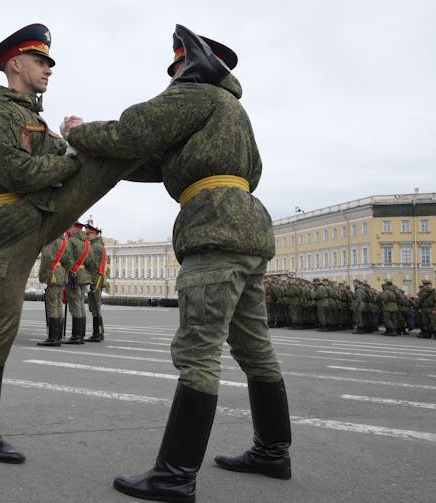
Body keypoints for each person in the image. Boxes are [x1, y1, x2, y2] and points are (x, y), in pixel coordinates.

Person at [64, 24, 291, 502]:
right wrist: (101, 152)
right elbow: (154, 160)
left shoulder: (197, 94)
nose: (173, 78)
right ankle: (273, 451)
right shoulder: (230, 109)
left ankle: (174, 475)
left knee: (198, 351)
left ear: (190, 67)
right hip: (247, 227)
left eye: (177, 68)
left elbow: (134, 131)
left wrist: (76, 131)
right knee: (254, 349)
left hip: (214, 227)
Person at [0, 22, 141, 465]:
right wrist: (68, 160)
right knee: (0, 333)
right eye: (40, 61)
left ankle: (158, 142)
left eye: (48, 61)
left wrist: (75, 143)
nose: (48, 69)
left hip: (43, 214)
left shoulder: (35, 119)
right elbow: (18, 173)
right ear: (15, 64)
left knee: (108, 157)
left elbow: (65, 157)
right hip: (9, 231)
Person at [36, 231, 69, 346]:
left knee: (52, 306)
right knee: (59, 305)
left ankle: (53, 338)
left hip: (52, 275)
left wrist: (43, 279)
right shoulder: (65, 240)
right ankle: (58, 336)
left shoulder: (50, 239)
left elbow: (46, 259)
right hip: (61, 275)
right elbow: (69, 261)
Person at [64, 222, 91, 344]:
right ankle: (81, 334)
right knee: (80, 304)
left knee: (75, 304)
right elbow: (90, 261)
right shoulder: (87, 242)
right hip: (84, 276)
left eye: (70, 226)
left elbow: (68, 258)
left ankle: (76, 336)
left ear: (76, 228)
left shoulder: (72, 241)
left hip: (74, 274)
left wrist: (69, 271)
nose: (68, 228)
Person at [84, 221, 107, 342]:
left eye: (89, 234)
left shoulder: (96, 247)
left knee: (95, 306)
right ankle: (99, 332)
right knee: (94, 306)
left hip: (95, 278)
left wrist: (90, 280)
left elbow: (93, 264)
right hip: (96, 277)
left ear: (95, 234)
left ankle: (97, 333)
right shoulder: (96, 245)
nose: (87, 236)